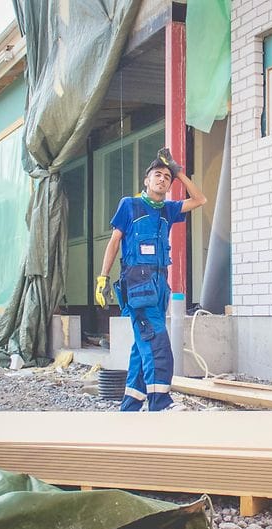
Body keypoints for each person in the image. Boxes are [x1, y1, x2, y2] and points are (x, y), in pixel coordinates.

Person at [95, 148, 206, 411]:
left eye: (167, 177)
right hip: (137, 287)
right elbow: (114, 242)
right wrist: (102, 278)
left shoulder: (168, 210)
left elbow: (200, 199)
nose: (162, 179)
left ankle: (131, 406)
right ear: (146, 180)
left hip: (159, 289)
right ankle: (160, 402)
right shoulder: (130, 205)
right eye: (157, 175)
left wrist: (178, 171)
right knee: (157, 343)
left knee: (141, 347)